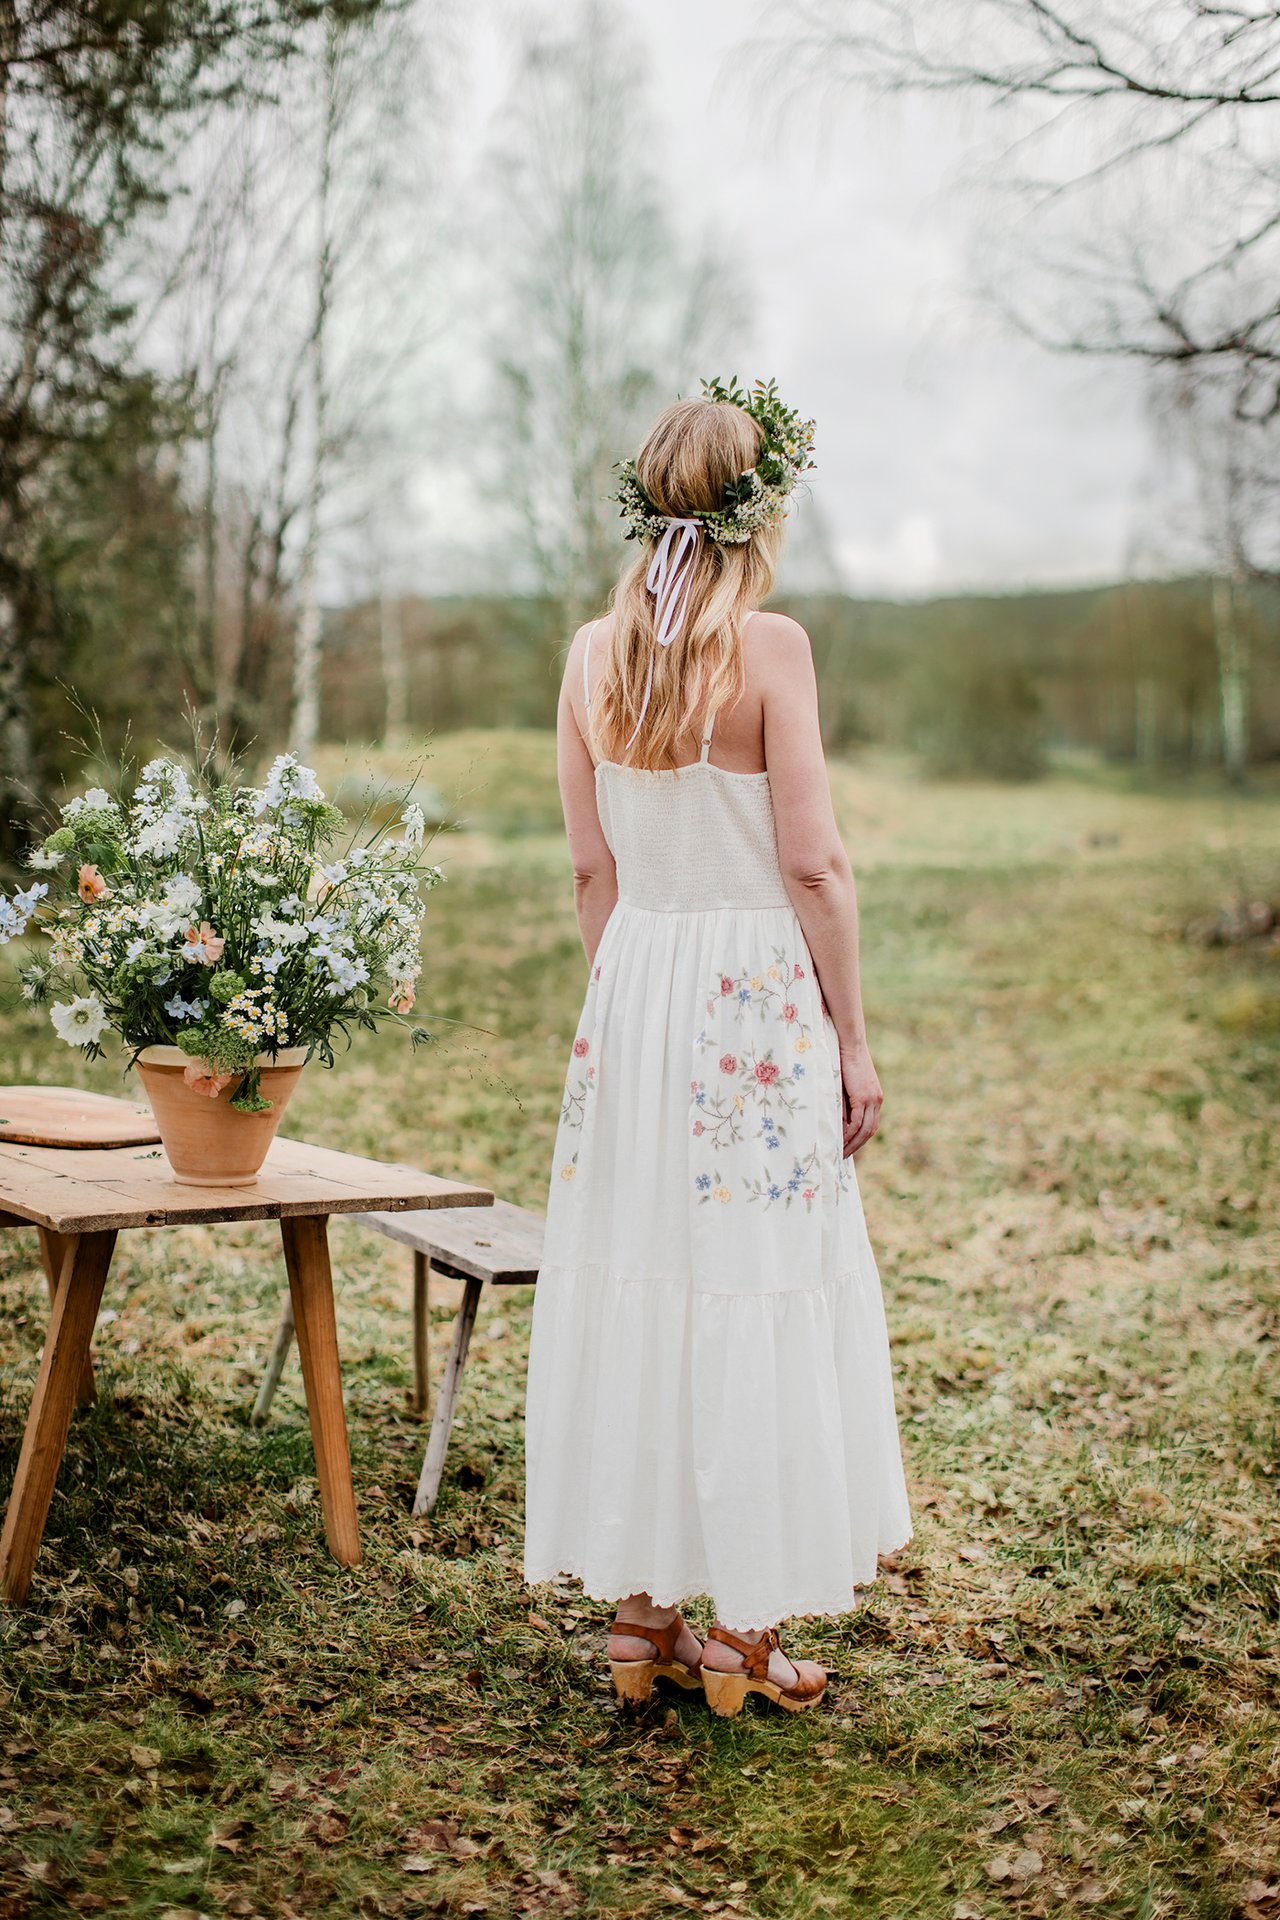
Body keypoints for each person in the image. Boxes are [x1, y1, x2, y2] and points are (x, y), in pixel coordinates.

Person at [523, 378, 912, 1716]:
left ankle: (641, 1625)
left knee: (646, 1273)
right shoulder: (773, 649)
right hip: (755, 1001)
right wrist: (850, 1038)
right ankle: (745, 1636)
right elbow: (814, 863)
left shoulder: (589, 655)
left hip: (634, 993)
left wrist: (632, 1009)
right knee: (754, 1274)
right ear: (767, 504)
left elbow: (590, 871)